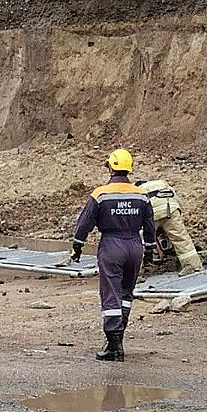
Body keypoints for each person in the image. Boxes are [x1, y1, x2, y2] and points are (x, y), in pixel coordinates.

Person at [71, 149, 154, 361]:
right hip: (135, 246)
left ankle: (114, 346)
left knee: (111, 294)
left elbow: (85, 223)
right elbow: (150, 225)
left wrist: (77, 246)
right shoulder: (142, 194)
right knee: (126, 294)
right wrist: (150, 249)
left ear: (111, 167)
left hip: (112, 245)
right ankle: (119, 337)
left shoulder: (100, 194)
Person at [137, 178, 203, 275]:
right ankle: (192, 266)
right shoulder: (162, 184)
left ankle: (136, 273)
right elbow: (178, 203)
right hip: (171, 209)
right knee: (181, 238)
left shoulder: (136, 189)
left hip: (152, 213)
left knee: (139, 242)